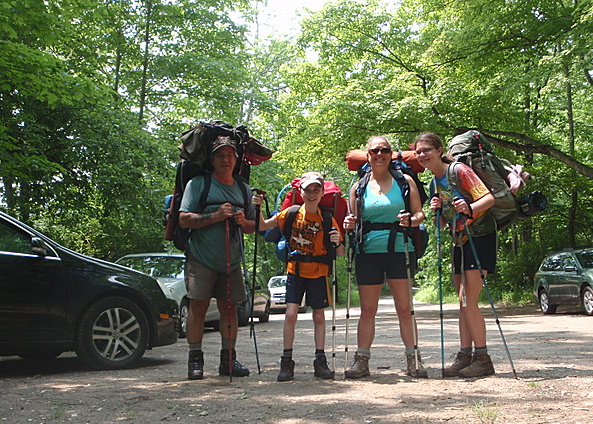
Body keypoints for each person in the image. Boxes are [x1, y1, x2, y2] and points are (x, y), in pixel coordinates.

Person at [343, 136, 427, 379]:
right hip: (367, 252)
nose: (379, 154)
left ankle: (413, 358)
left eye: (384, 150)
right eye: (374, 150)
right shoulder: (358, 187)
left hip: (400, 248)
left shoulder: (405, 181)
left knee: (404, 308)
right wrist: (349, 223)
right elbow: (353, 220)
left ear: (391, 154)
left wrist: (411, 221)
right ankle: (361, 361)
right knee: (368, 309)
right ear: (368, 156)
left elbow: (419, 213)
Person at [414, 131, 497, 378]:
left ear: (439, 150)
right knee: (462, 303)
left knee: (468, 301)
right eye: (418, 152)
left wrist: (469, 207)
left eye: (426, 150)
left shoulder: (459, 171)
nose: (422, 155)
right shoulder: (433, 183)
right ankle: (465, 356)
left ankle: (482, 358)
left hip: (479, 237)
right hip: (459, 241)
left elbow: (489, 198)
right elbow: (441, 226)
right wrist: (437, 211)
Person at [178, 136, 257, 380]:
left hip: (232, 260)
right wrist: (215, 216)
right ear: (212, 160)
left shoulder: (243, 188)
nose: (225, 159)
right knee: (198, 308)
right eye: (220, 155)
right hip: (201, 258)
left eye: (230, 155)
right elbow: (183, 219)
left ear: (236, 159)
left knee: (230, 309)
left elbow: (254, 226)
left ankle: (228, 360)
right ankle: (195, 360)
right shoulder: (198, 184)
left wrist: (244, 222)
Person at [254, 172, 345, 381]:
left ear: (322, 192)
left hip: (319, 273)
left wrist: (337, 241)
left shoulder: (328, 219)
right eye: (308, 190)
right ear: (300, 192)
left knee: (319, 316)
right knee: (291, 314)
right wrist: (257, 207)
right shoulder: (291, 213)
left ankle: (320, 362)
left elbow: (340, 253)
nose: (312, 194)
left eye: (316, 190)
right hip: (295, 271)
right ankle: (286, 362)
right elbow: (262, 226)